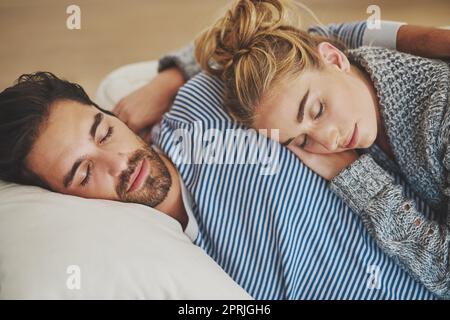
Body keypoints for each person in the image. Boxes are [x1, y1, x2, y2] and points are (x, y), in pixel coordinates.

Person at [0, 18, 446, 300]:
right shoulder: (150, 266)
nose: (118, 161)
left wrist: (172, 73)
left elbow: (285, 48)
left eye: (103, 131)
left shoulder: (198, 105)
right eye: (82, 173)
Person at [192, 0, 450, 297]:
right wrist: (171, 73)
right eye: (301, 141)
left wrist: (360, 181)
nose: (328, 142)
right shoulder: (355, 100)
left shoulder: (440, 112)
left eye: (316, 110)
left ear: (335, 58)